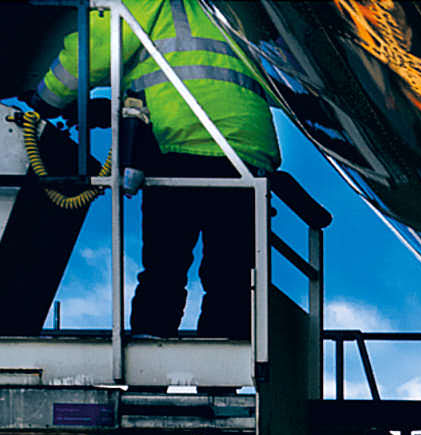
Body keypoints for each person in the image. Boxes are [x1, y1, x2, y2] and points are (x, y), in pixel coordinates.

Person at [29, 0, 280, 340]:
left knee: (166, 266)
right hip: (247, 150)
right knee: (231, 272)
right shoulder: (221, 9)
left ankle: (150, 357)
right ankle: (224, 367)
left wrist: (47, 98)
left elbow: (96, 48)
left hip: (182, 139)